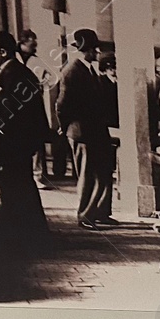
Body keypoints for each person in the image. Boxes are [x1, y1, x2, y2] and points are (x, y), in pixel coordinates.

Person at [0, 30, 50, 248]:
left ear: (2, 52)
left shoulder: (14, 74)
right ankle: (27, 233)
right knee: (17, 185)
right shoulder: (11, 71)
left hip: (15, 143)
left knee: (16, 185)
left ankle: (23, 236)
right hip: (16, 142)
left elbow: (7, 112)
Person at [55, 29, 114, 229]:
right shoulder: (72, 70)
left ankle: (101, 212)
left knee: (104, 171)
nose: (97, 53)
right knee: (88, 174)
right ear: (84, 50)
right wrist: (66, 127)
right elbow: (61, 105)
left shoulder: (89, 68)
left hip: (96, 130)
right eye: (94, 49)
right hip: (82, 132)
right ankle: (85, 216)